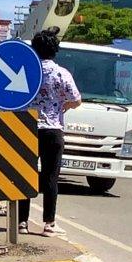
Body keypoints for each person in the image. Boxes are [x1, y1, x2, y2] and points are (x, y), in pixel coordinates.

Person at [18, 27, 81, 236]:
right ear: (55, 50)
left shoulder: (28, 71)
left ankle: (22, 222)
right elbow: (76, 99)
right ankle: (49, 223)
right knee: (51, 177)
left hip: (28, 126)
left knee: (25, 174)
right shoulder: (62, 73)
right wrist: (63, 106)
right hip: (53, 130)